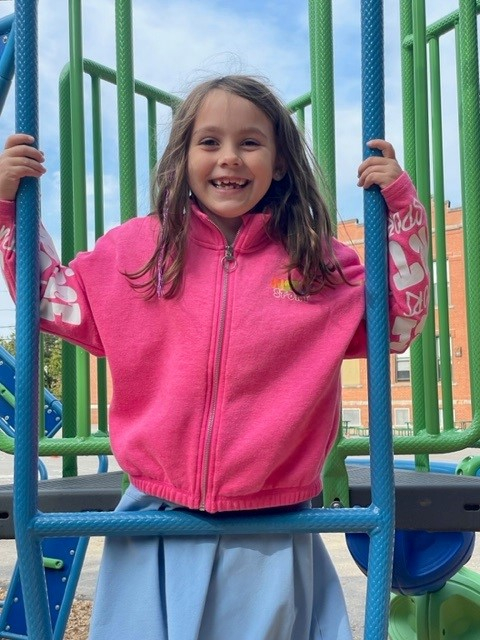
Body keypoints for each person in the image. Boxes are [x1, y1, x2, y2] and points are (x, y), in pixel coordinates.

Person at [0, 75, 429, 640]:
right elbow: (52, 298)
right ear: (184, 158)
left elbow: (397, 323)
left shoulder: (317, 264)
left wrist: (402, 210)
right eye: (209, 142)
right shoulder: (139, 252)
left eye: (250, 142)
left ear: (279, 163)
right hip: (157, 512)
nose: (229, 157)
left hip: (272, 521)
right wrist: (9, 208)